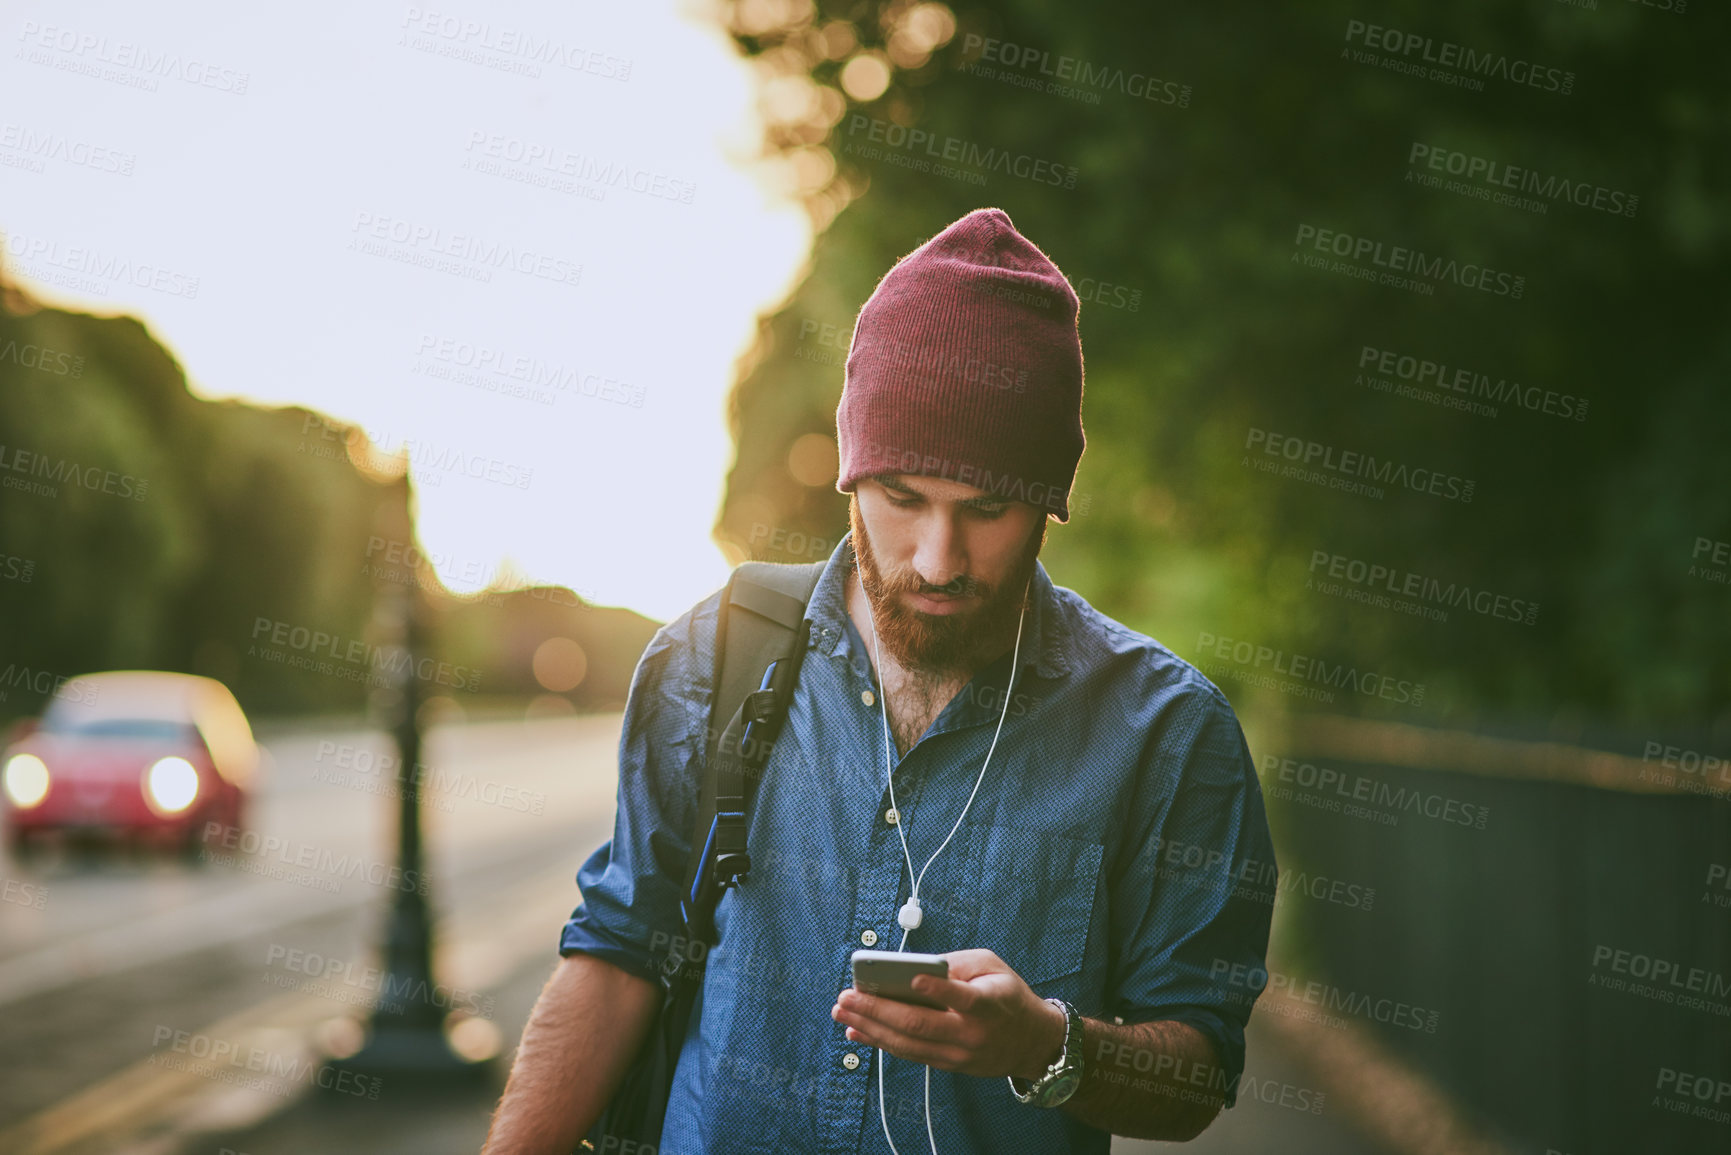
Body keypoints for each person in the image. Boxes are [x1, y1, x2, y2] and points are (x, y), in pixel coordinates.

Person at [482, 207, 1277, 1155]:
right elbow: (617, 954)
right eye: (903, 498)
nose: (939, 558)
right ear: (850, 472)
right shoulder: (709, 659)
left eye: (987, 508)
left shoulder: (1166, 729)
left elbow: (1196, 1070)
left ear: (1049, 505)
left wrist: (1047, 1045)